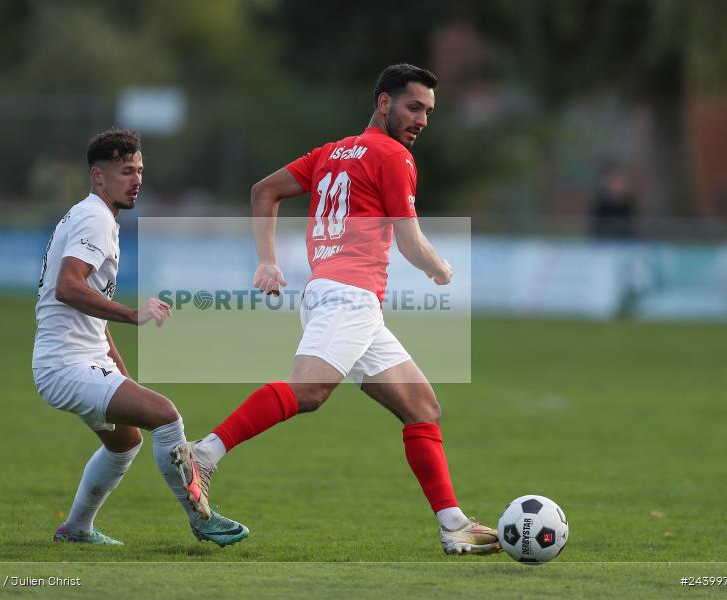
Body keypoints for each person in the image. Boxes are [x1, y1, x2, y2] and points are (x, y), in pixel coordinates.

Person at [172, 65, 500, 555]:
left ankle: (453, 524)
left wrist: (268, 260)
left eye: (429, 112)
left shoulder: (332, 153)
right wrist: (442, 269)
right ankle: (205, 453)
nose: (423, 120)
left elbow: (264, 189)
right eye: (414, 107)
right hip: (349, 296)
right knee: (309, 390)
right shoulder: (394, 156)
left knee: (422, 406)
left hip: (340, 296)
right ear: (384, 103)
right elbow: (411, 243)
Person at [32, 128, 247, 547]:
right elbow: (69, 287)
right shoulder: (94, 218)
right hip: (64, 364)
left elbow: (92, 307)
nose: (137, 180)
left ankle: (76, 529)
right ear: (98, 176)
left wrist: (123, 376)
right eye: (126, 171)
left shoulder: (96, 217)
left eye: (140, 170)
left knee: (125, 444)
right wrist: (135, 314)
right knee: (167, 416)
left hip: (80, 360)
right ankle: (201, 518)